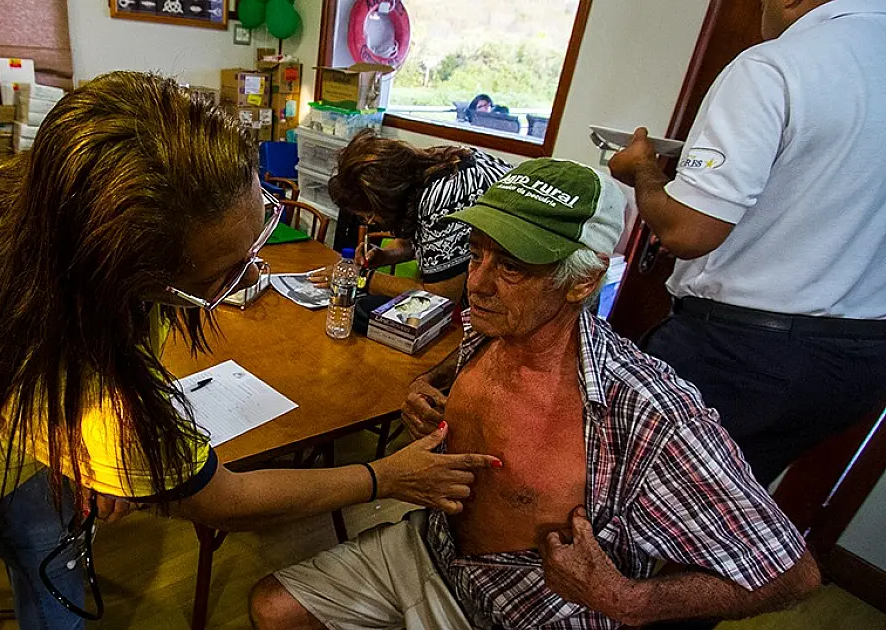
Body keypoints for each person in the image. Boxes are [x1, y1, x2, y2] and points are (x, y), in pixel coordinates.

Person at [0, 72, 502, 630]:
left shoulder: (62, 197)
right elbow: (218, 500)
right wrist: (384, 475)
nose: (253, 273)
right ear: (124, 274)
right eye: (221, 272)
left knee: (54, 551)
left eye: (258, 230)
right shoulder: (64, 360)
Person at [251, 158, 820, 630]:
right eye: (476, 254)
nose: (477, 282)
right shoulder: (490, 326)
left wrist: (627, 599)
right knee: (272, 608)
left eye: (513, 268)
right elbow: (464, 359)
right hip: (434, 548)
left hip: (528, 610)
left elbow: (792, 576)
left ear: (583, 279)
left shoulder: (648, 413)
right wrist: (428, 386)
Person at [608, 0, 886, 486]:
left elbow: (687, 232)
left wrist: (643, 172)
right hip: (861, 356)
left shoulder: (776, 65)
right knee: (734, 497)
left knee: (635, 483)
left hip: (745, 352)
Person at [309, 130, 512, 303]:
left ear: (388, 198)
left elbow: (442, 295)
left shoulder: (442, 196)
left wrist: (361, 278)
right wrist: (385, 255)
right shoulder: (423, 171)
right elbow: (428, 243)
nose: (372, 223)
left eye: (371, 215)